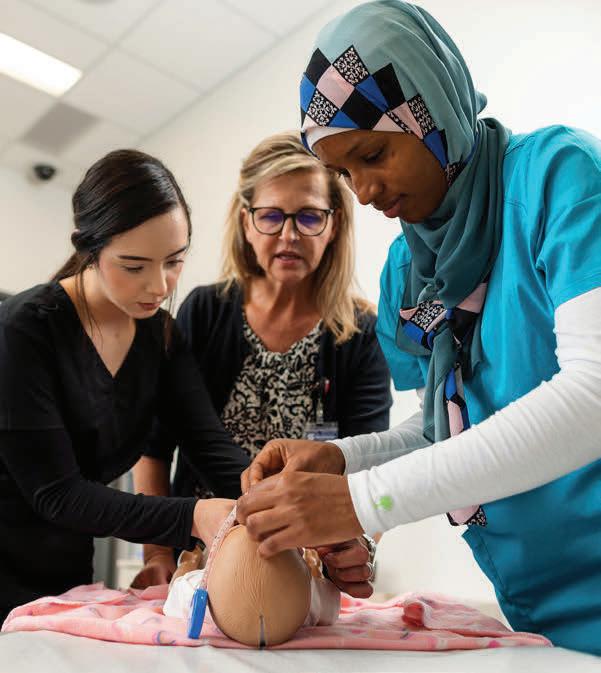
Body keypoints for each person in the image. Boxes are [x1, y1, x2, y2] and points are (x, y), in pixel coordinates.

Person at [235, 0, 601, 656]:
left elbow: (593, 396)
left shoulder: (558, 178)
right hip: (536, 602)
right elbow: (444, 425)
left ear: (431, 110)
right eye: (343, 173)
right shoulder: (410, 272)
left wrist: (363, 501)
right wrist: (344, 462)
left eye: (373, 154)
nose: (364, 191)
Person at [132, 131, 392, 595]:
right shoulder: (205, 312)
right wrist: (156, 555)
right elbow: (154, 447)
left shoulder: (360, 334)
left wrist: (360, 550)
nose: (289, 235)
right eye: (271, 216)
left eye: (309, 216)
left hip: (305, 565)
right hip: (201, 557)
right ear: (246, 222)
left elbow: (368, 469)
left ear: (334, 224)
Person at [0, 149, 251, 623]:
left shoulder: (161, 337)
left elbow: (210, 447)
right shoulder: (24, 330)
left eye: (174, 261)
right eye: (134, 266)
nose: (159, 286)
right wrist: (193, 516)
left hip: (67, 579)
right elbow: (57, 493)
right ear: (88, 249)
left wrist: (275, 499)